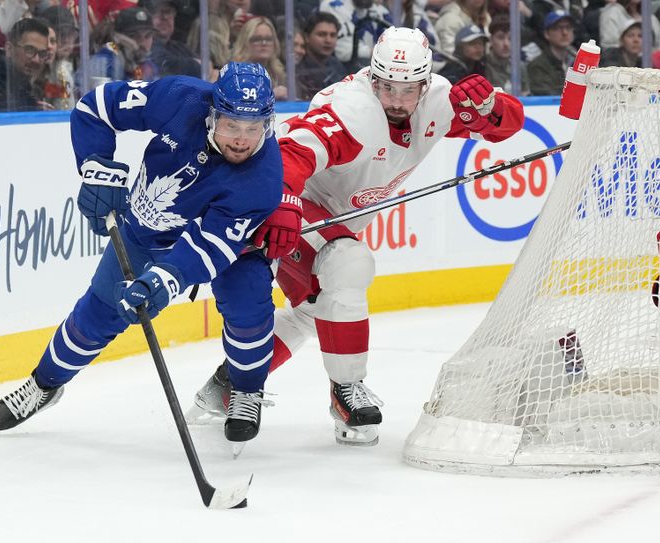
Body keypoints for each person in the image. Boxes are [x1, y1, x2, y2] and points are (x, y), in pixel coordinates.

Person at [188, 26, 524, 446]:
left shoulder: (437, 98)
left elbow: (504, 126)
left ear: (424, 82)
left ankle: (230, 384)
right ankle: (346, 391)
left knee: (319, 309)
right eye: (387, 88)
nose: (397, 101)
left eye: (408, 89)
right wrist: (285, 204)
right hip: (290, 202)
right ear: (372, 77)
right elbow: (290, 154)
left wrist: (490, 105)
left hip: (338, 217)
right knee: (348, 263)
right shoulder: (351, 111)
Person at [0, 62, 288, 450]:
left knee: (248, 303)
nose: (242, 140)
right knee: (97, 314)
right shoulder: (180, 97)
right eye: (231, 125)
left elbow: (208, 247)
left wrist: (165, 279)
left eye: (253, 128)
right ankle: (43, 384)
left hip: (232, 247)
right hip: (147, 231)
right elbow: (95, 107)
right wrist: (96, 168)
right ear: (213, 113)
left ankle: (246, 390)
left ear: (268, 123)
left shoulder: (263, 178)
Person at [0, 17, 51, 111]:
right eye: (29, 50)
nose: (36, 60)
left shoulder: (23, 80)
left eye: (42, 54)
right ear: (9, 49)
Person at [87, 6, 160, 87]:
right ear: (118, 37)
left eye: (148, 36)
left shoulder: (149, 66)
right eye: (134, 36)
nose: (142, 42)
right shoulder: (104, 62)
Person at [319, 0, 393, 72]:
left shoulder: (380, 11)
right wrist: (379, 52)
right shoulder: (334, 5)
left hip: (373, 71)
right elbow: (344, 52)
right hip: (341, 73)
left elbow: (391, 44)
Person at [230, 16, 287, 100]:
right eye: (257, 39)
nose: (264, 43)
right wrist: (271, 95)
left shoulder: (278, 72)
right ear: (245, 42)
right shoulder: (234, 72)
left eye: (268, 39)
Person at [295, 11, 347, 100]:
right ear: (307, 37)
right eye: (322, 34)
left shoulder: (337, 66)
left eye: (333, 35)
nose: (328, 40)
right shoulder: (297, 67)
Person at [527, 10, 576, 96]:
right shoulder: (538, 66)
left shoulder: (578, 61)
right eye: (558, 28)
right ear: (547, 34)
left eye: (568, 27)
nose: (565, 32)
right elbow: (545, 95)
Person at [485, 14, 530, 94]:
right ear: (491, 40)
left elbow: (525, 95)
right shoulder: (482, 66)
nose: (506, 44)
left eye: (510, 38)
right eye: (500, 37)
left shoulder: (519, 66)